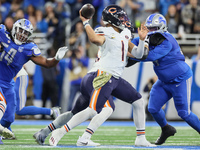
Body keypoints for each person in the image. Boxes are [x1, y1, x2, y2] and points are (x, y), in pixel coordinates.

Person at [34, 4, 154, 147]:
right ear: (112, 19)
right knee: (98, 109)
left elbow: (138, 54)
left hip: (112, 78)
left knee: (138, 101)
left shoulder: (124, 35)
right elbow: (94, 39)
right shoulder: (105, 31)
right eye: (121, 17)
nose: (124, 20)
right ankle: (65, 134)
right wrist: (85, 22)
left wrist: (142, 40)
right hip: (102, 76)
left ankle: (140, 138)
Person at [130, 13, 200, 145]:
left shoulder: (167, 40)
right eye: (148, 28)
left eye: (152, 28)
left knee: (184, 113)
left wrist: (129, 54)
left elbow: (148, 56)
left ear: (161, 27)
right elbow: (133, 43)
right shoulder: (152, 38)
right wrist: (125, 43)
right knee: (153, 108)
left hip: (180, 79)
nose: (149, 32)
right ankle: (166, 129)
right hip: (163, 81)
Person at [0, 18, 68, 141]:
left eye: (25, 33)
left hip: (8, 82)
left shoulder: (29, 48)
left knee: (10, 117)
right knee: (2, 104)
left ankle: (2, 132)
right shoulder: (2, 33)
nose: (22, 34)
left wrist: (56, 59)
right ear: (15, 28)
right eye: (20, 30)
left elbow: (46, 63)